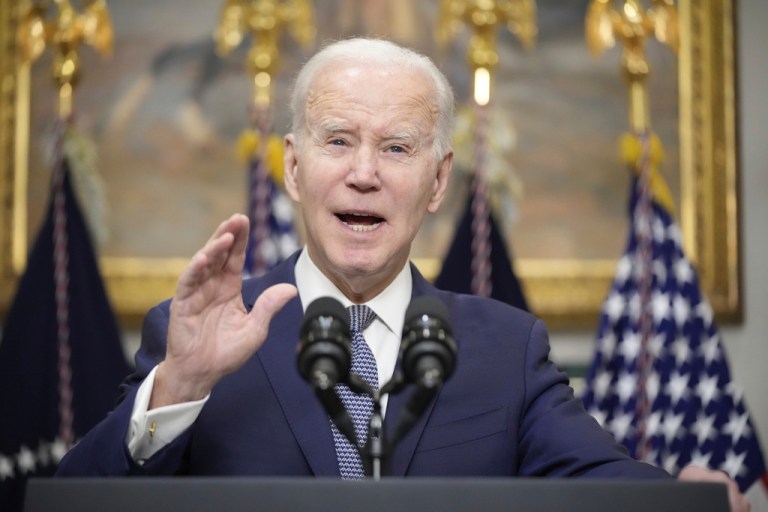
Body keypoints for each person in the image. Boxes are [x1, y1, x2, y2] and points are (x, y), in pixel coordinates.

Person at [55, 38, 749, 511]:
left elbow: (610, 485)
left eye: (396, 147)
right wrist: (181, 384)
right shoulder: (203, 336)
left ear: (439, 180)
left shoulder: (507, 351)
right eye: (338, 141)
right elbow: (75, 500)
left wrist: (687, 495)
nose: (364, 174)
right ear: (293, 168)